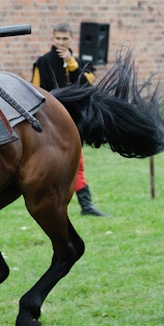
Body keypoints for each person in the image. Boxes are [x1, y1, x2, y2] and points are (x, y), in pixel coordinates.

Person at [32, 23, 113, 217]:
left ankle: (85, 205)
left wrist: (72, 64)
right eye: (58, 38)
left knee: (75, 162)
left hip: (74, 119)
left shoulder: (78, 62)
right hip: (50, 121)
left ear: (70, 39)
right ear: (53, 38)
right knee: (69, 162)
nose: (61, 42)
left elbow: (89, 86)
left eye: (65, 39)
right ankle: (80, 205)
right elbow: (35, 90)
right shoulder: (43, 62)